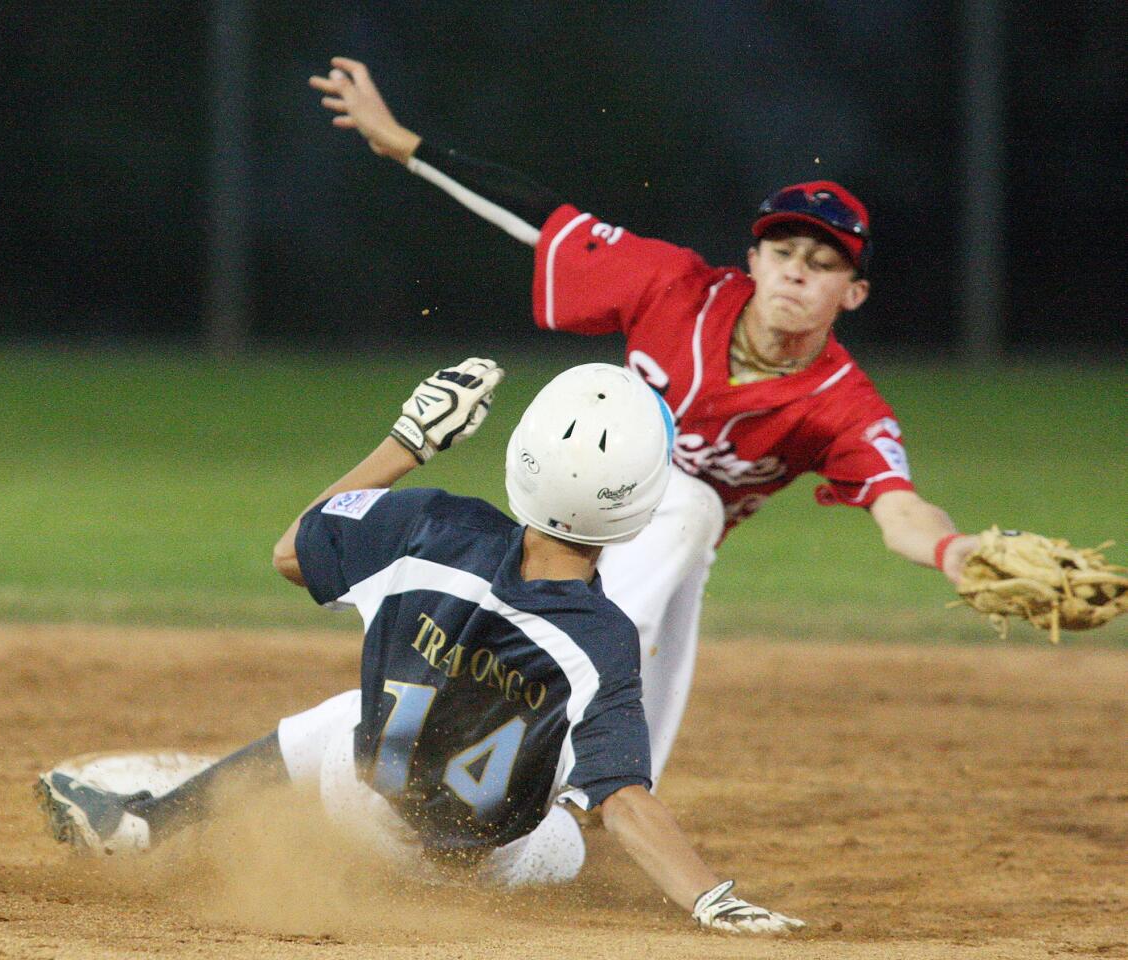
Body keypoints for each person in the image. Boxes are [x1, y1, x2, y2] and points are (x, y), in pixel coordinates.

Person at [307, 57, 984, 788]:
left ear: (851, 293)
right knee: (687, 508)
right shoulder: (674, 287)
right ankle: (516, 702)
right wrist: (402, 143)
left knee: (681, 555)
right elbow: (543, 222)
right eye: (782, 251)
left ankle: (606, 797)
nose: (795, 271)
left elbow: (900, 510)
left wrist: (953, 552)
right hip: (559, 502)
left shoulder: (842, 404)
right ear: (751, 259)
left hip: (658, 549)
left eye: (820, 263)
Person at [35, 358, 805, 935]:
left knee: (347, 715)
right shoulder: (600, 637)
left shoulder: (429, 525)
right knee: (574, 801)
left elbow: (292, 550)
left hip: (357, 806)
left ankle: (144, 829)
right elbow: (626, 800)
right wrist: (713, 897)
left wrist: (408, 442)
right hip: (489, 870)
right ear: (636, 505)